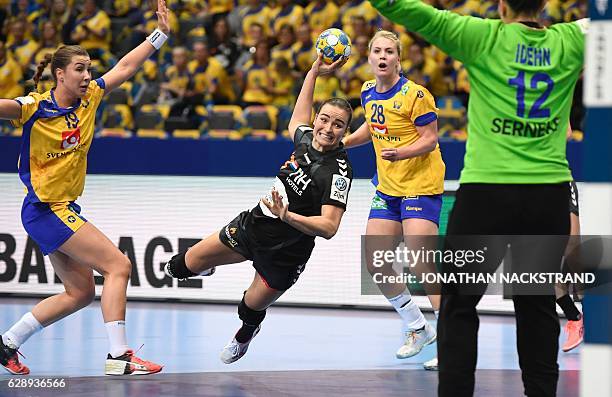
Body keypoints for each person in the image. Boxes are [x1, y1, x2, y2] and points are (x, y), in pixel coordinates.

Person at [369, 0, 587, 395]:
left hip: (485, 196)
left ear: (501, 5)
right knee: (536, 307)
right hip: (546, 196)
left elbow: (402, 8)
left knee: (458, 306)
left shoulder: (480, 36)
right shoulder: (572, 39)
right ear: (543, 6)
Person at [0, 0, 172, 376]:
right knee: (119, 265)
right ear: (59, 74)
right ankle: (119, 356)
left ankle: (7, 343)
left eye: (89, 69)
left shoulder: (90, 98)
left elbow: (125, 66)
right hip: (47, 208)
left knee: (80, 293)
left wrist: (160, 36)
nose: (86, 75)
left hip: (61, 209)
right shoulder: (33, 108)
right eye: (79, 69)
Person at [164, 54, 353, 364]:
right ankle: (208, 264)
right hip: (254, 226)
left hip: (286, 252)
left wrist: (288, 216)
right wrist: (313, 70)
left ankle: (246, 334)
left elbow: (330, 227)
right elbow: (296, 118)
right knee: (179, 267)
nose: (328, 128)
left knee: (250, 308)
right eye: (324, 119)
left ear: (345, 131)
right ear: (317, 119)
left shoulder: (339, 171)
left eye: (338, 125)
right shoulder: (304, 139)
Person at [342, 30, 444, 370]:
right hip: (388, 188)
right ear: (369, 57)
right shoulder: (367, 92)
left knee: (422, 263)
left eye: (389, 51)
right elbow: (372, 128)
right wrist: (340, 143)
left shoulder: (416, 95)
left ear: (398, 58)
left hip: (421, 185)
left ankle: (452, 341)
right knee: (377, 263)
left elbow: (430, 140)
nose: (382, 56)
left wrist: (400, 152)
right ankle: (418, 327)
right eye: (377, 51)